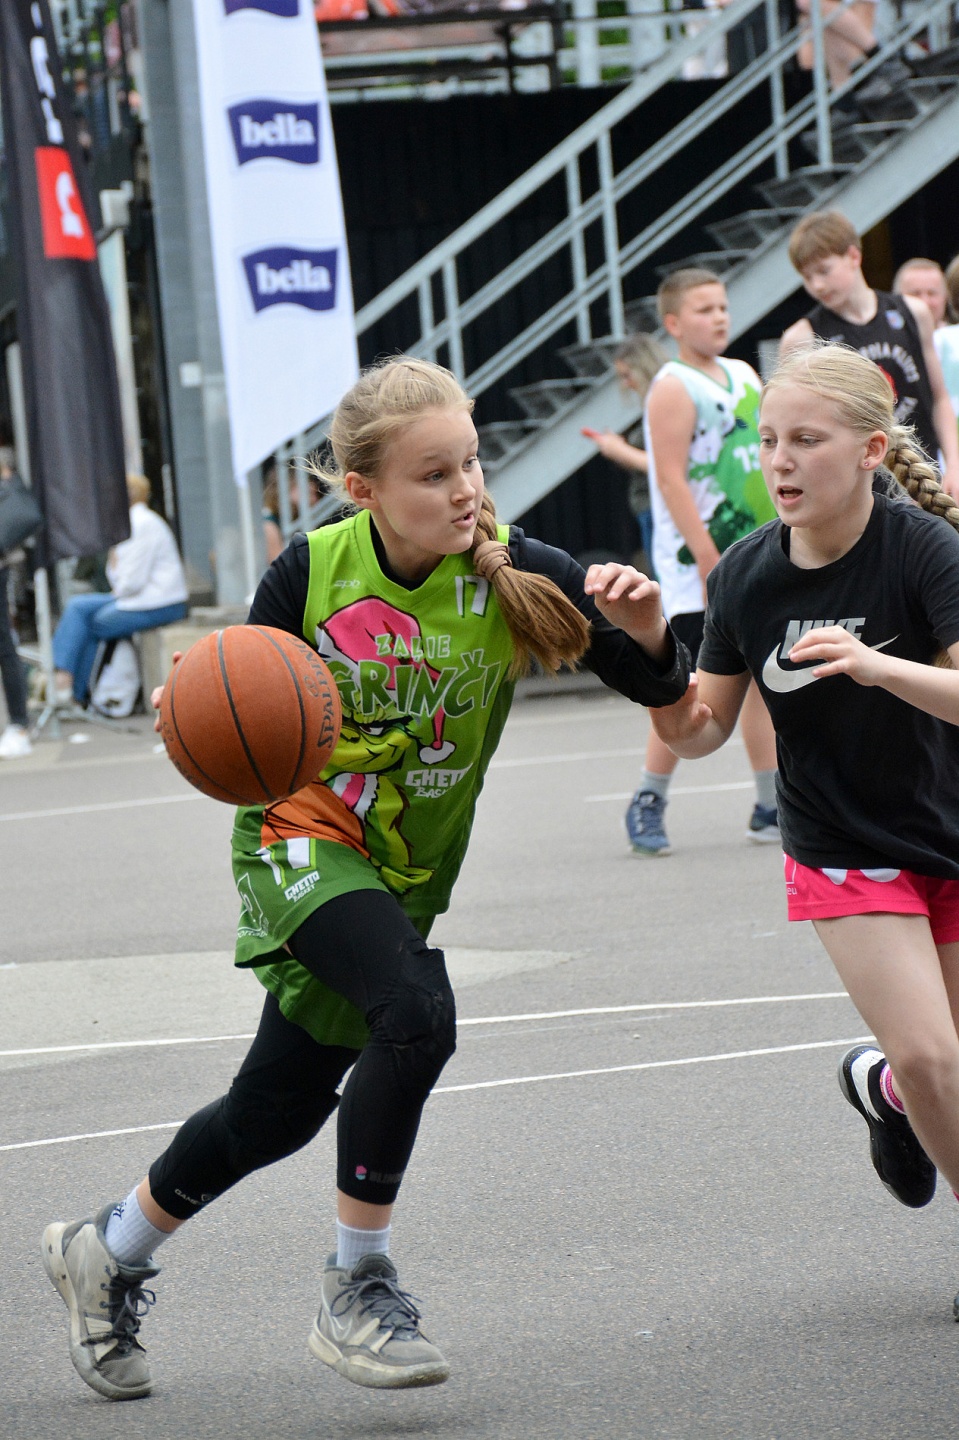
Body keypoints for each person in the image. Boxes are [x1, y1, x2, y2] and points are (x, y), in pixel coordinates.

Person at [41, 356, 691, 1401]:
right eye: (434, 474)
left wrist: (652, 630)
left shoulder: (523, 571)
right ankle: (358, 1285)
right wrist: (190, 701)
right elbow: (238, 690)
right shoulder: (312, 570)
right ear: (364, 489)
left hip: (402, 873)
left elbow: (673, 706)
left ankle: (106, 1248)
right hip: (300, 839)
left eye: (469, 463)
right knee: (417, 1012)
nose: (465, 489)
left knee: (277, 1109)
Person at [651, 340, 959, 1270]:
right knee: (931, 1057)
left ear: (869, 451)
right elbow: (700, 731)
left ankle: (885, 1094)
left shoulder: (924, 550)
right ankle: (907, 1088)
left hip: (945, 826)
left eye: (805, 441)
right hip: (839, 841)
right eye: (767, 440)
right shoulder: (746, 576)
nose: (778, 462)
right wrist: (646, 655)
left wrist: (875, 667)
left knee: (945, 1068)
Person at [614, 267, 779, 857]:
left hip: (757, 548)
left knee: (762, 680)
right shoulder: (672, 385)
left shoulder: (744, 374)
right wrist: (709, 558)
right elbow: (669, 478)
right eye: (705, 309)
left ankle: (770, 804)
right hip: (699, 565)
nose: (719, 317)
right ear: (675, 323)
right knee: (687, 690)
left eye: (723, 307)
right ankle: (649, 796)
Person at [781, 211, 959, 498]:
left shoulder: (912, 312)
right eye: (807, 277)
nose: (817, 285)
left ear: (853, 256)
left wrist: (954, 464)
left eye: (824, 271)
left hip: (924, 475)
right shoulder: (802, 337)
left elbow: (938, 397)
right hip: (858, 488)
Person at [50, 473, 189, 707]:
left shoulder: (141, 523)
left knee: (92, 620)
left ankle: (69, 685)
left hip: (160, 603)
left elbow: (130, 582)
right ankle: (71, 686)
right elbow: (120, 580)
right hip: (139, 599)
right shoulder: (133, 523)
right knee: (79, 608)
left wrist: (115, 565)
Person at [582, 331, 664, 566]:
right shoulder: (658, 401)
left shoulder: (665, 401)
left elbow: (663, 465)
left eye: (627, 375)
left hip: (660, 509)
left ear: (644, 367)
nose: (626, 384)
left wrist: (619, 450)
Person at [894, 257, 959, 440]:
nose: (924, 302)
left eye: (932, 293)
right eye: (915, 294)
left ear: (946, 297)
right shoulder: (889, 350)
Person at [0, 444, 32, 758]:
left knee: (5, 646)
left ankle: (19, 724)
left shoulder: (10, 489)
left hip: (2, 568)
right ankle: (18, 723)